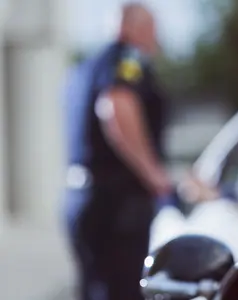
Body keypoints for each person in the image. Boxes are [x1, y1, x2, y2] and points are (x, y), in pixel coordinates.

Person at [63, 3, 172, 300]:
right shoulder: (128, 58)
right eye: (152, 28)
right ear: (135, 27)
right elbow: (116, 105)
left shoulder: (86, 66)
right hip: (117, 206)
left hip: (81, 198)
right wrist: (155, 176)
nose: (156, 38)